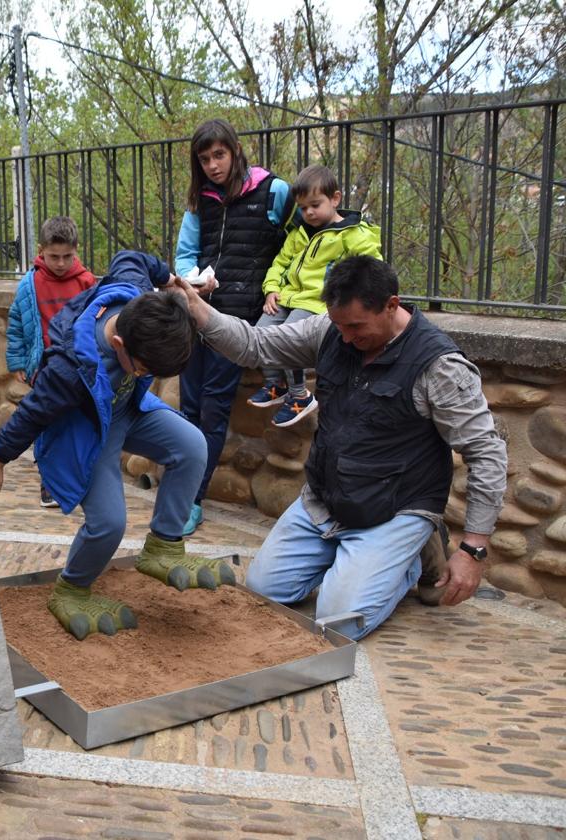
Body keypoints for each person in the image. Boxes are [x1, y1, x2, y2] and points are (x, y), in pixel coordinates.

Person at [169, 256, 507, 639]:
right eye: (339, 325)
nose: (345, 337)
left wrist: (474, 549)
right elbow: (255, 345)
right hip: (325, 502)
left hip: (394, 509)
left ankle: (411, 556)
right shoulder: (330, 329)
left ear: (391, 305)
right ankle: (358, 561)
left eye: (356, 327)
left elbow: (486, 453)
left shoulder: (439, 367)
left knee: (336, 622)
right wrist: (196, 307)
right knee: (264, 591)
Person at [0, 251, 231, 641]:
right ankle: (72, 589)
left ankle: (164, 545)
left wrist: (171, 283)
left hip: (128, 409)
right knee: (108, 524)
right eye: (145, 368)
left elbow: (132, 256)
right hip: (88, 431)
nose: (148, 374)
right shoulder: (69, 370)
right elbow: (31, 413)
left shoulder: (133, 292)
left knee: (193, 445)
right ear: (118, 342)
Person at [174, 119, 294, 537]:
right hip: (198, 312)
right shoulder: (199, 202)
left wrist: (278, 290)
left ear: (235, 151)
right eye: (204, 159)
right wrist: (193, 280)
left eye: (218, 155)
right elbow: (184, 255)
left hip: (239, 320)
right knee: (188, 408)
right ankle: (181, 491)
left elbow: (297, 247)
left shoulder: (274, 192)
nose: (212, 165)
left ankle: (191, 497)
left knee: (213, 408)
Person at [249, 165, 381, 428]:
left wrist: (347, 299)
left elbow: (371, 265)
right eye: (302, 207)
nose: (308, 212)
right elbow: (279, 263)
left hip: (317, 302)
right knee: (260, 332)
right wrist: (272, 288)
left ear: (335, 199)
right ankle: (276, 384)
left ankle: (300, 395)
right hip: (287, 297)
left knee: (288, 337)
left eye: (315, 205)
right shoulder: (299, 232)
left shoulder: (351, 234)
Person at [6, 216, 97, 508]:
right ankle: (49, 483)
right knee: (47, 424)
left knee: (78, 424)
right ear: (42, 250)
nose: (60, 263)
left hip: (78, 367)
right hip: (45, 369)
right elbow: (17, 323)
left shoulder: (86, 281)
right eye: (53, 256)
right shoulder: (30, 284)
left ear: (76, 250)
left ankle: (77, 478)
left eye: (67, 257)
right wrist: (18, 361)